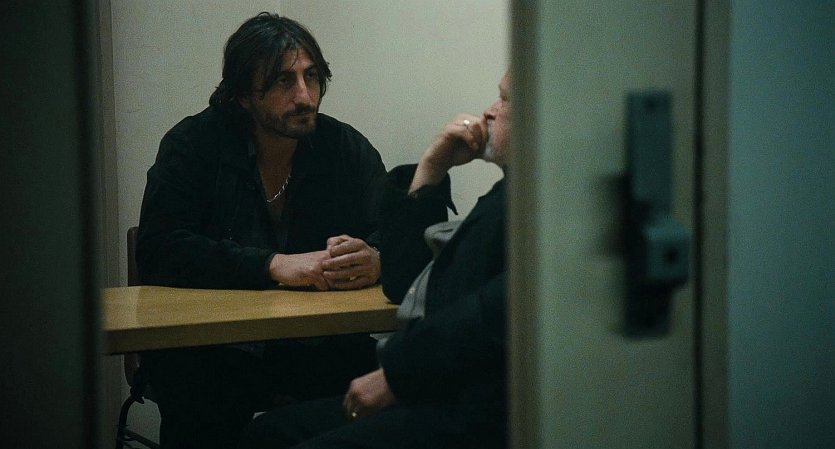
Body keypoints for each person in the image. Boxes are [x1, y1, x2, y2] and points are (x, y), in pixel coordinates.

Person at [135, 13, 386, 449]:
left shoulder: (343, 148)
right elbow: (160, 249)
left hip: (316, 349)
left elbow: (398, 234)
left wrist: (377, 258)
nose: (304, 96)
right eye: (284, 81)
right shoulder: (193, 145)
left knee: (385, 387)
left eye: (312, 77)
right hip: (212, 352)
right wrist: (272, 264)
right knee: (198, 396)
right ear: (243, 96)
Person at [237, 71, 512, 449]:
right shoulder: (510, 194)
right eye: (284, 80)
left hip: (475, 410)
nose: (490, 111)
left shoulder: (543, 207)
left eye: (506, 101)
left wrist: (397, 375)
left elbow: (496, 310)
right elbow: (405, 286)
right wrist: (431, 168)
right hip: (440, 388)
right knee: (266, 433)